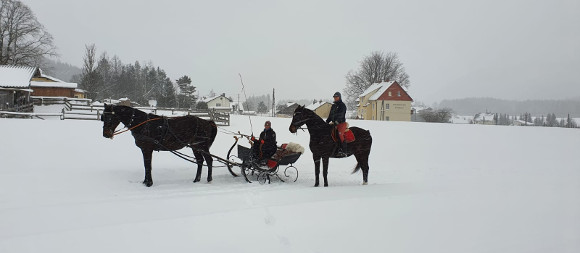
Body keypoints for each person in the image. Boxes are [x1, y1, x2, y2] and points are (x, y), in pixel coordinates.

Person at [326, 92, 348, 157]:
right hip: (334, 123)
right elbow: (330, 115)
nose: (335, 98)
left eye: (336, 97)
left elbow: (341, 115)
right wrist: (326, 122)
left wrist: (336, 123)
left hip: (341, 123)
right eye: (334, 97)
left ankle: (343, 151)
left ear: (339, 97)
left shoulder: (342, 105)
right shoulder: (333, 106)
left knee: (339, 134)